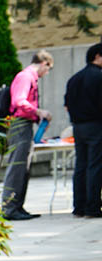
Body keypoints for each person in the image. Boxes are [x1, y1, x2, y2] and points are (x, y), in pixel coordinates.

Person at [2, 50, 54, 221]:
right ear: (44, 63)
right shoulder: (26, 76)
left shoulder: (30, 77)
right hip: (19, 124)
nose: (46, 74)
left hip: (25, 124)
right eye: (48, 69)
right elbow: (19, 100)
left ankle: (17, 206)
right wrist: (39, 111)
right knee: (17, 166)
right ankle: (9, 208)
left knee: (24, 167)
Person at [65, 43, 102, 218]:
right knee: (95, 166)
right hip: (96, 125)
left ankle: (78, 206)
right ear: (97, 56)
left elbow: (67, 105)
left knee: (81, 166)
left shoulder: (74, 79)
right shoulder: (99, 77)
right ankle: (93, 207)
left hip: (78, 127)